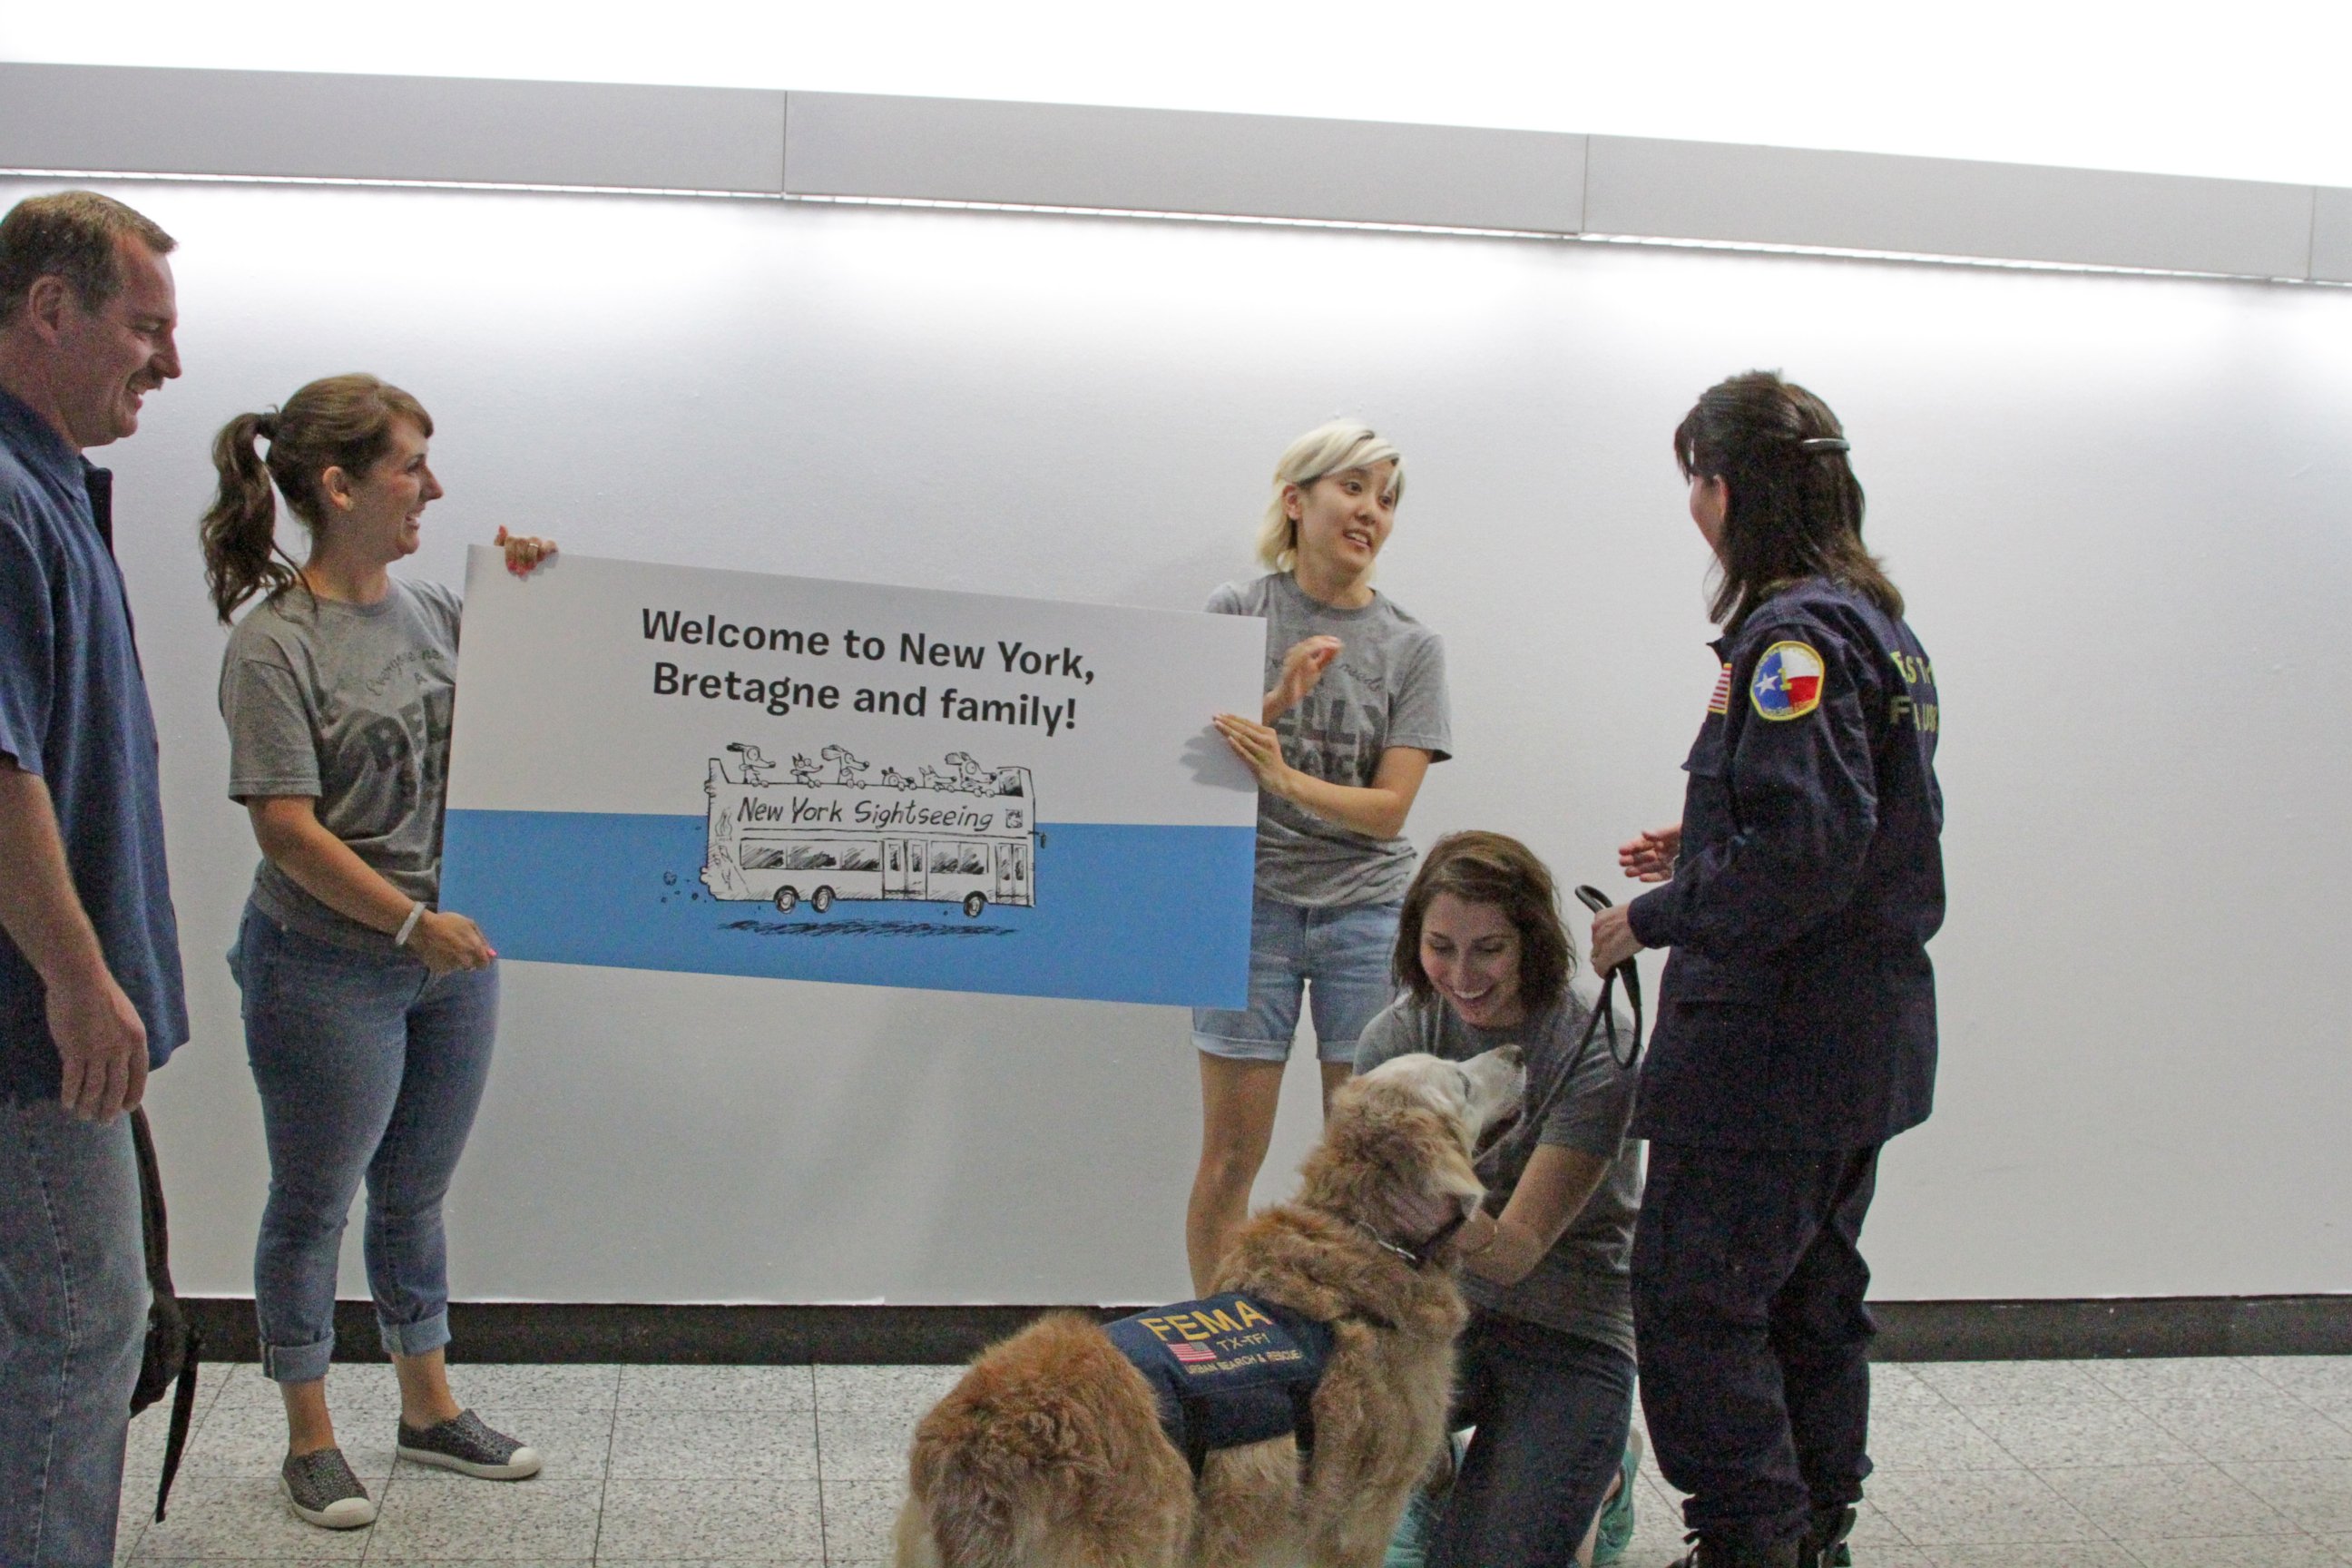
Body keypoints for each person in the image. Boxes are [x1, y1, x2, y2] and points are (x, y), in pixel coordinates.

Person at [1589, 372, 1943, 1568]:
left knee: (1697, 1305)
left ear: (1732, 489)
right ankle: (1810, 1535)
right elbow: (1859, 825)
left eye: (1697, 478)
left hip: (1771, 1055)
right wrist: (1705, 837)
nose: (1693, 505)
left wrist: (1657, 912)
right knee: (1804, 1297)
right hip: (1857, 1051)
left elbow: (1806, 856)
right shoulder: (1876, 626)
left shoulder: (1790, 639)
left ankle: (1752, 1542)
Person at [200, 373, 555, 1530]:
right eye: (411, 466)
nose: (433, 489)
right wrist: (408, 923)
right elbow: (285, 828)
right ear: (340, 485)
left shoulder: (434, 615)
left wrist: (541, 596)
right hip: (327, 966)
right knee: (314, 1203)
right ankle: (310, 1436)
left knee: (414, 1195)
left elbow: (538, 715)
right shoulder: (274, 647)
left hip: (448, 961)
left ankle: (428, 1408)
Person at [0, 190, 189, 1568]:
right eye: (146, 328)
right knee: (82, 1328)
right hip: (32, 1037)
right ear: (50, 311)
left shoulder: (52, 489)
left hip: (57, 1021)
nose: (165, 365)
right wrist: (76, 976)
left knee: (62, 1327)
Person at [1190, 420, 1451, 1293]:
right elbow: (1186, 761)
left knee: (1368, 1162)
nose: (1372, 511)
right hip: (1246, 905)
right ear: (1296, 500)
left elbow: (1388, 811)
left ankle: (1353, 1362)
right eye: (1354, 487)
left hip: (1368, 913)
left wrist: (1287, 777)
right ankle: (1218, 1364)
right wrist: (1277, 699)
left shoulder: (1412, 647)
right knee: (1232, 1157)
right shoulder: (1237, 613)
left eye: (1386, 498)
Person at [1357, 832, 1643, 1568]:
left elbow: (1514, 1254)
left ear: (1531, 941)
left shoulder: (1595, 1043)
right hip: (1435, 1319)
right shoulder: (1395, 1035)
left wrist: (1442, 1205)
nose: (1461, 975)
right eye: (1439, 946)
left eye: (1488, 948)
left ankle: (1603, 1480)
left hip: (1568, 1323)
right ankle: (1433, 1469)